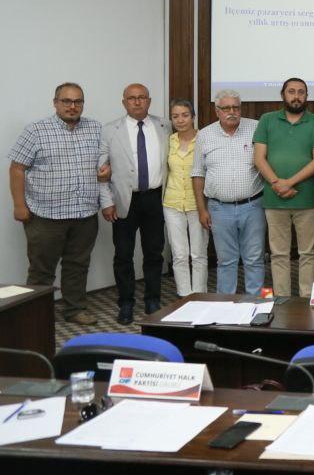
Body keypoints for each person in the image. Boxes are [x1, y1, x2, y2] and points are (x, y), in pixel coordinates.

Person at [8, 82, 103, 325]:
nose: (72, 106)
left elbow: (104, 162)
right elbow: (17, 168)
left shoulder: (95, 128)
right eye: (66, 101)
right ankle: (35, 317)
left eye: (78, 101)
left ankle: (74, 310)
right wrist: (19, 205)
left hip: (84, 214)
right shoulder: (36, 130)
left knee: (78, 265)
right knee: (42, 269)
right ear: (55, 103)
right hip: (45, 216)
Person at [100, 83, 171, 323]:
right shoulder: (110, 130)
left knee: (154, 252)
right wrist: (106, 202)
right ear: (124, 102)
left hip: (155, 198)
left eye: (142, 97)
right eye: (131, 98)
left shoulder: (165, 126)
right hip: (123, 200)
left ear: (149, 101)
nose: (137, 102)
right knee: (123, 254)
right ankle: (126, 303)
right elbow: (101, 170)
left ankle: (152, 300)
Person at [253, 78, 314, 298]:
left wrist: (289, 182)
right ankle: (282, 301)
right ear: (283, 95)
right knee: (278, 254)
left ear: (307, 96)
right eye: (291, 91)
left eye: (301, 92)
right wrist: (278, 184)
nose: (296, 96)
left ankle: (306, 301)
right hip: (274, 200)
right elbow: (259, 158)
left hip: (309, 201)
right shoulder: (267, 120)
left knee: (308, 254)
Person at [192, 90, 266, 295]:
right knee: (226, 261)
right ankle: (225, 304)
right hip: (219, 208)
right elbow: (197, 173)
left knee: (254, 259)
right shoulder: (204, 135)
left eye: (236, 107)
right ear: (217, 111)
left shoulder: (256, 128)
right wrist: (201, 209)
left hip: (253, 206)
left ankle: (256, 303)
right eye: (226, 108)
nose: (232, 112)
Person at [163, 99, 206, 297]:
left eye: (185, 115)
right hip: (172, 203)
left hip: (198, 204)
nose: (180, 120)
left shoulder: (204, 139)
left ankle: (199, 296)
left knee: (198, 253)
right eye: (175, 116)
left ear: (193, 117)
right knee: (179, 254)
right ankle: (184, 296)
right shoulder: (169, 141)